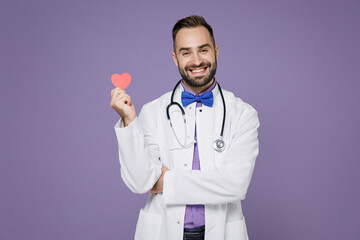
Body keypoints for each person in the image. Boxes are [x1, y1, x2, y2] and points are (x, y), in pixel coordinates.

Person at [110, 15, 260, 240]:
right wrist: (129, 120)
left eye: (203, 50)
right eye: (186, 52)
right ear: (175, 58)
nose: (197, 61)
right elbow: (139, 182)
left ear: (216, 51)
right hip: (162, 231)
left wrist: (165, 182)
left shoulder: (243, 114)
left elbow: (235, 184)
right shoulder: (153, 112)